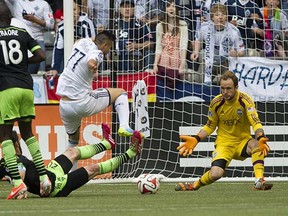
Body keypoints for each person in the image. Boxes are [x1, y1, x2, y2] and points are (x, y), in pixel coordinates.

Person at [175, 70, 273, 191]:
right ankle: (194, 185)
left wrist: (260, 136)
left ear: (236, 87)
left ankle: (259, 180)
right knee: (216, 174)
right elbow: (210, 125)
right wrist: (196, 138)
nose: (225, 92)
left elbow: (255, 122)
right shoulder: (216, 103)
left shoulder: (245, 101)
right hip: (224, 144)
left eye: (228, 88)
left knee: (256, 145)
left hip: (242, 142)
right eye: (222, 88)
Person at [56, 30, 135, 170]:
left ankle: (68, 175)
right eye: (109, 47)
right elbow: (92, 59)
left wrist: (92, 71)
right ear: (104, 44)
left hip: (64, 105)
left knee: (73, 141)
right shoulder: (97, 53)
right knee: (121, 93)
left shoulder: (81, 42)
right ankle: (124, 126)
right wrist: (92, 65)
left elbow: (83, 45)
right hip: (82, 102)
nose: (108, 50)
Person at [0, 123, 143, 198]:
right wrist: (18, 186)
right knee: (93, 169)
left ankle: (106, 143)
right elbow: (21, 173)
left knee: (72, 151)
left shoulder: (13, 160)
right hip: (54, 187)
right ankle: (131, 152)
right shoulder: (8, 163)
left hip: (48, 172)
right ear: (16, 145)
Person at [0, 1, 51, 200]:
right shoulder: (22, 32)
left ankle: (18, 183)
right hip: (26, 87)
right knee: (28, 133)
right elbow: (40, 55)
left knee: (4, 135)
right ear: (10, 17)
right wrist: (23, 63)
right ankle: (44, 177)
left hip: (6, 89)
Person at [191, 3, 245, 85]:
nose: (220, 17)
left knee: (230, 83)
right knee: (199, 82)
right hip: (209, 61)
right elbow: (198, 39)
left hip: (226, 62)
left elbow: (242, 52)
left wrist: (236, 53)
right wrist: (196, 52)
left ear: (226, 16)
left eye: (223, 14)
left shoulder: (234, 31)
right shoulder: (204, 27)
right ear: (212, 17)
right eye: (217, 15)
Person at [5, 0, 55, 73]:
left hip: (37, 39)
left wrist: (34, 20)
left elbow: (51, 25)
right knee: (18, 68)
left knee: (41, 71)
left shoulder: (43, 4)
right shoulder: (17, 1)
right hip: (20, 38)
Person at [50, 0, 96, 76]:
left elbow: (93, 45)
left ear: (80, 9)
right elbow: (58, 48)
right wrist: (55, 68)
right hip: (68, 59)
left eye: (74, 9)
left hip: (85, 60)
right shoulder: (61, 26)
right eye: (69, 10)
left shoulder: (87, 23)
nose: (72, 12)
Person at [152, 0, 188, 88]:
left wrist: (182, 64)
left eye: (173, 6)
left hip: (177, 58)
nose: (171, 8)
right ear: (165, 9)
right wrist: (155, 64)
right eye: (168, 6)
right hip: (163, 59)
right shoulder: (160, 26)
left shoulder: (183, 25)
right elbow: (158, 47)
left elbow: (183, 45)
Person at [116, 0, 153, 73]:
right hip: (115, 58)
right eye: (124, 7)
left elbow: (151, 44)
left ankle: (148, 71)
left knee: (149, 51)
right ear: (120, 9)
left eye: (129, 7)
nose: (127, 9)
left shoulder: (140, 24)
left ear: (134, 9)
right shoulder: (114, 23)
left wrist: (136, 46)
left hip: (134, 59)